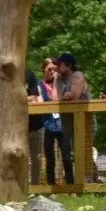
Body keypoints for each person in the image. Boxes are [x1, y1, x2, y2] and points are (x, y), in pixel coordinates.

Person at [53, 52, 89, 185]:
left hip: (82, 122)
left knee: (82, 154)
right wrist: (62, 97)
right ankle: (71, 185)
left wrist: (62, 99)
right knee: (67, 154)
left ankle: (89, 183)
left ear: (68, 65)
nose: (56, 67)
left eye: (59, 64)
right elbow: (54, 98)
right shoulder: (58, 78)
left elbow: (73, 97)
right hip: (67, 122)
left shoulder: (77, 76)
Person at [39, 58, 63, 187]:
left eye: (55, 69)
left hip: (62, 124)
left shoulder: (61, 84)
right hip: (46, 124)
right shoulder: (39, 85)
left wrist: (56, 82)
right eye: (49, 69)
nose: (52, 72)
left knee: (65, 154)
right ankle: (51, 183)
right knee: (50, 155)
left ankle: (68, 183)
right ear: (43, 70)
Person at [26, 69, 44, 186]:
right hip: (16, 128)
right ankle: (23, 187)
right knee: (23, 159)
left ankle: (35, 187)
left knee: (36, 159)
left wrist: (15, 99)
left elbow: (33, 97)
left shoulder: (28, 74)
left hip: (36, 125)